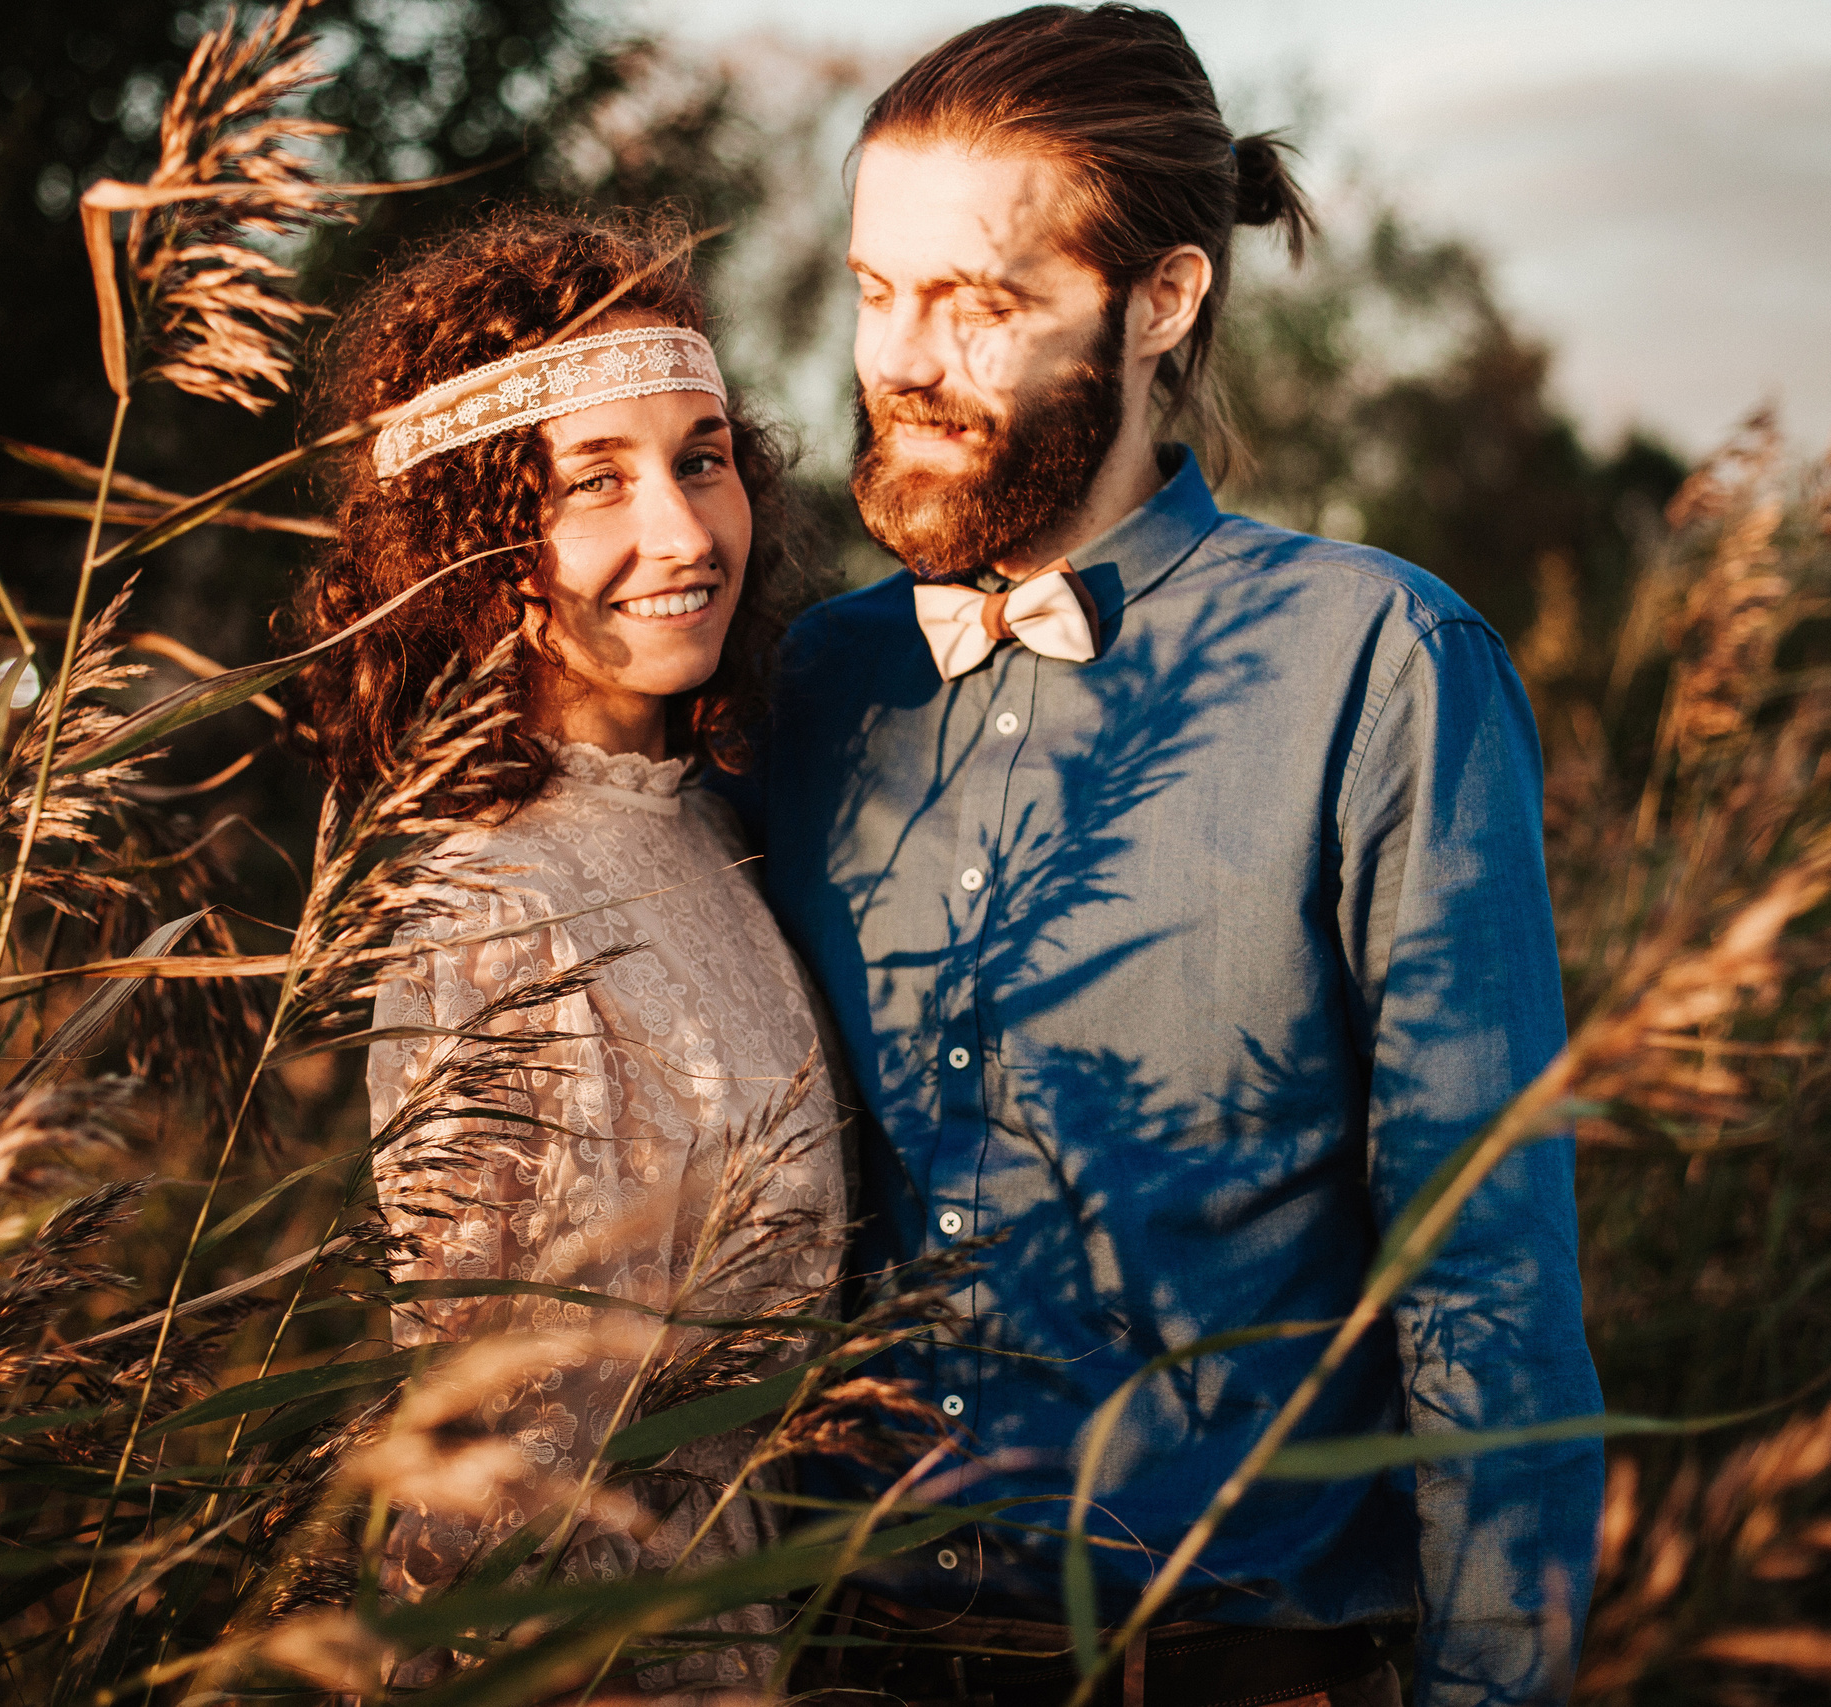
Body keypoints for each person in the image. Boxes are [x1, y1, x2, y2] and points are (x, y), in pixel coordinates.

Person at [729, 8, 1605, 1705]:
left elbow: (1484, 1277)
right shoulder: (810, 684)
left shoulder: (1382, 667)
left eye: (979, 304)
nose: (899, 359)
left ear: (1162, 300)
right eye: (874, 289)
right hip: (842, 1662)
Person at [290, 208, 848, 1702]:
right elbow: (498, 1454)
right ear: (474, 544)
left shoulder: (710, 825)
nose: (686, 532)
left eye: (703, 459)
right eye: (594, 481)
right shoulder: (495, 904)